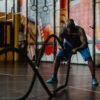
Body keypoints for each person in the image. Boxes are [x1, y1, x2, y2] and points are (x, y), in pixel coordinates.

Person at [47, 19, 98, 86]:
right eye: (68, 30)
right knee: (57, 58)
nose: (70, 32)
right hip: (68, 45)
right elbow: (60, 43)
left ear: (74, 27)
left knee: (89, 59)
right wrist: (61, 47)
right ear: (66, 27)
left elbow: (85, 43)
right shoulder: (63, 30)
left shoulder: (80, 30)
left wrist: (76, 49)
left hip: (80, 45)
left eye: (71, 30)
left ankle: (94, 78)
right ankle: (54, 78)